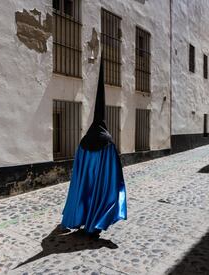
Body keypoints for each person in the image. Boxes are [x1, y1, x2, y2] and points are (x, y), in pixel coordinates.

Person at [61, 57, 127, 238]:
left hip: (88, 177)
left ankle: (78, 218)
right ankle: (94, 223)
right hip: (99, 177)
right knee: (99, 190)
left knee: (84, 188)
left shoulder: (84, 141)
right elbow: (113, 175)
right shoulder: (107, 141)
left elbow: (79, 174)